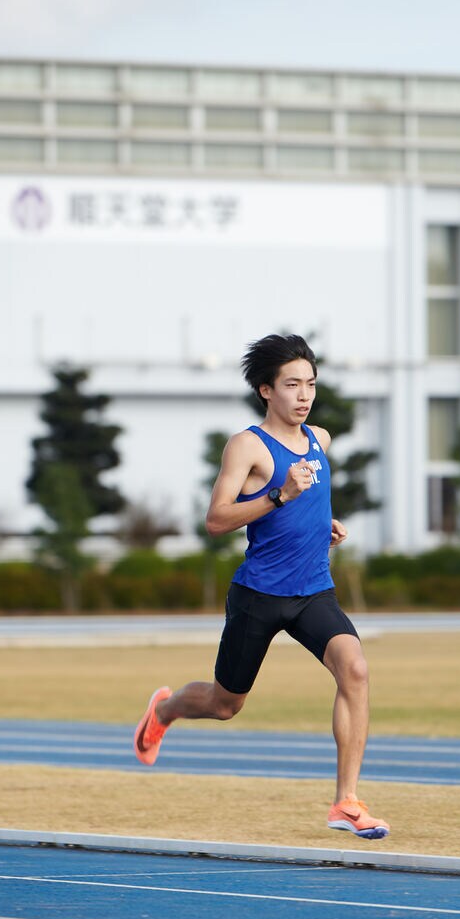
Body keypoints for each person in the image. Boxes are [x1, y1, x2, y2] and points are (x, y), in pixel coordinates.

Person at [133, 332, 389, 840]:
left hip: (313, 591)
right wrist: (280, 495)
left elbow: (309, 503)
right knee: (226, 705)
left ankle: (347, 802)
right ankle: (165, 708)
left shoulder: (321, 439)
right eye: (292, 384)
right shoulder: (247, 446)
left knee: (355, 670)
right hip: (259, 595)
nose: (304, 395)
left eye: (310, 384)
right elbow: (216, 519)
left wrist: (325, 522)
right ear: (265, 390)